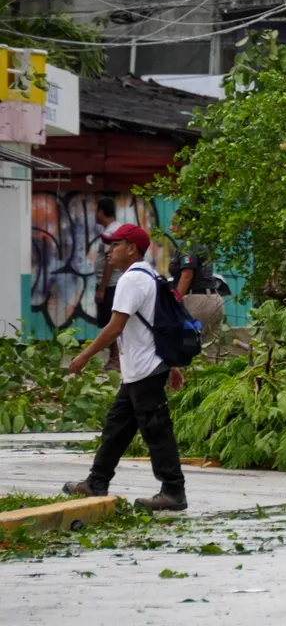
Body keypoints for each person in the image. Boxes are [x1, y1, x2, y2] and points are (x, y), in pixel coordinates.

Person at [63, 224, 188, 512]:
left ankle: (173, 491)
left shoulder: (131, 280)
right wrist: (170, 365)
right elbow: (160, 325)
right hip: (141, 369)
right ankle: (96, 481)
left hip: (144, 370)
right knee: (116, 429)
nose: (109, 250)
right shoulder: (151, 275)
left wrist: (84, 356)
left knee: (157, 432)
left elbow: (114, 326)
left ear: (131, 248)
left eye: (115, 244)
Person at [169, 209, 225, 348]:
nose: (171, 228)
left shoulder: (189, 245)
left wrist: (175, 300)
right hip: (213, 299)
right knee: (208, 351)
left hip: (197, 302)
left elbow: (187, 275)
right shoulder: (199, 242)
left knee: (188, 347)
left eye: (175, 224)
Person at [93, 198, 123, 371]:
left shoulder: (111, 232)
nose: (94, 214)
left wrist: (102, 288)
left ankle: (115, 360)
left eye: (96, 210)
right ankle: (114, 359)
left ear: (102, 211)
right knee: (110, 321)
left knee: (111, 322)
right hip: (111, 284)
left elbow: (109, 262)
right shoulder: (114, 229)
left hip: (111, 285)